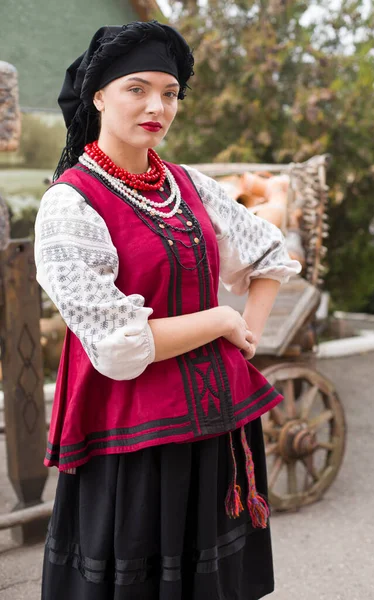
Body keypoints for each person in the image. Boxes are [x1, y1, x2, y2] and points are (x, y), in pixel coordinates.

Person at [35, 20, 302, 600]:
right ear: (99, 95)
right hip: (134, 430)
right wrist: (224, 322)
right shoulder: (69, 204)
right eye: (137, 88)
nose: (158, 105)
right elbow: (118, 346)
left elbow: (270, 254)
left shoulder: (188, 184)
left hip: (217, 421)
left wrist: (247, 335)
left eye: (171, 91)